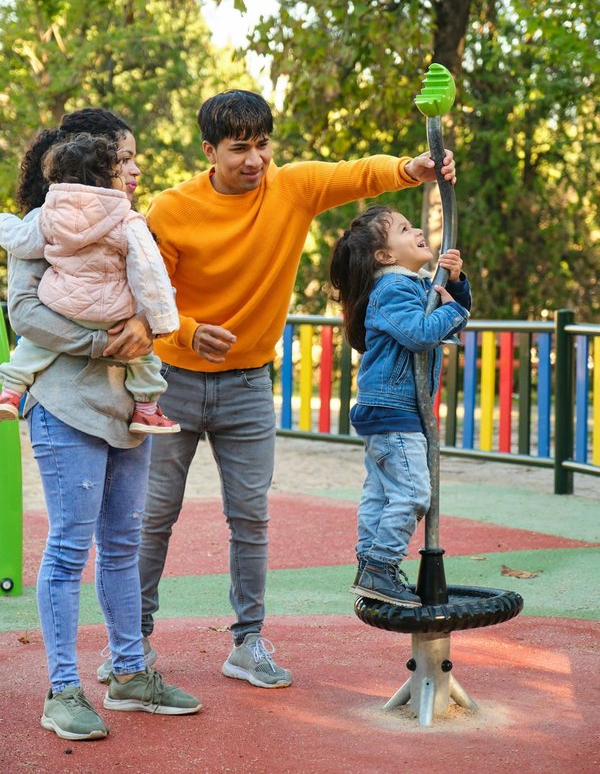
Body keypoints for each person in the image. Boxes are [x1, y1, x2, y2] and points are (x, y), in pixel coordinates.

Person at [98, 88, 459, 691]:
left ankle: (248, 642)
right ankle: (132, 644)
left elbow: (352, 174)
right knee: (154, 515)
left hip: (247, 385)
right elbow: (146, 290)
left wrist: (412, 168)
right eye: (240, 148)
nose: (255, 159)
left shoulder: (289, 188)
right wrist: (188, 331)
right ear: (209, 151)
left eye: (262, 145)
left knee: (251, 518)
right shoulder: (173, 208)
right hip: (172, 382)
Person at [5, 108, 201, 741]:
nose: (134, 169)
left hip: (126, 411)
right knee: (69, 547)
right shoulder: (46, 225)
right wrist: (104, 343)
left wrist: (145, 325)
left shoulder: (124, 224)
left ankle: (129, 672)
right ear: (90, 166)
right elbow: (24, 313)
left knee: (122, 544)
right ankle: (62, 690)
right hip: (67, 407)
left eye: (134, 159)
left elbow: (149, 291)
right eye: (123, 160)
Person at [330, 205, 471, 605]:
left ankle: (369, 566)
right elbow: (420, 333)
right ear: (385, 255)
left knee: (380, 494)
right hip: (395, 409)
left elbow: (446, 320)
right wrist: (453, 308)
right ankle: (380, 567)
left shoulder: (411, 284)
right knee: (412, 494)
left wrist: (455, 285)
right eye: (405, 229)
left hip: (387, 408)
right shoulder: (393, 288)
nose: (418, 231)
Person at [0, 132, 180, 435]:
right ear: (108, 177)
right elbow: (149, 272)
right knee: (143, 359)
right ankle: (146, 410)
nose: (132, 172)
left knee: (33, 346)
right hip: (114, 316)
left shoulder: (50, 216)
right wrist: (158, 321)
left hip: (63, 305)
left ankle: (10, 391)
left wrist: (4, 221)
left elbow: (22, 242)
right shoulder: (127, 219)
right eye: (121, 165)